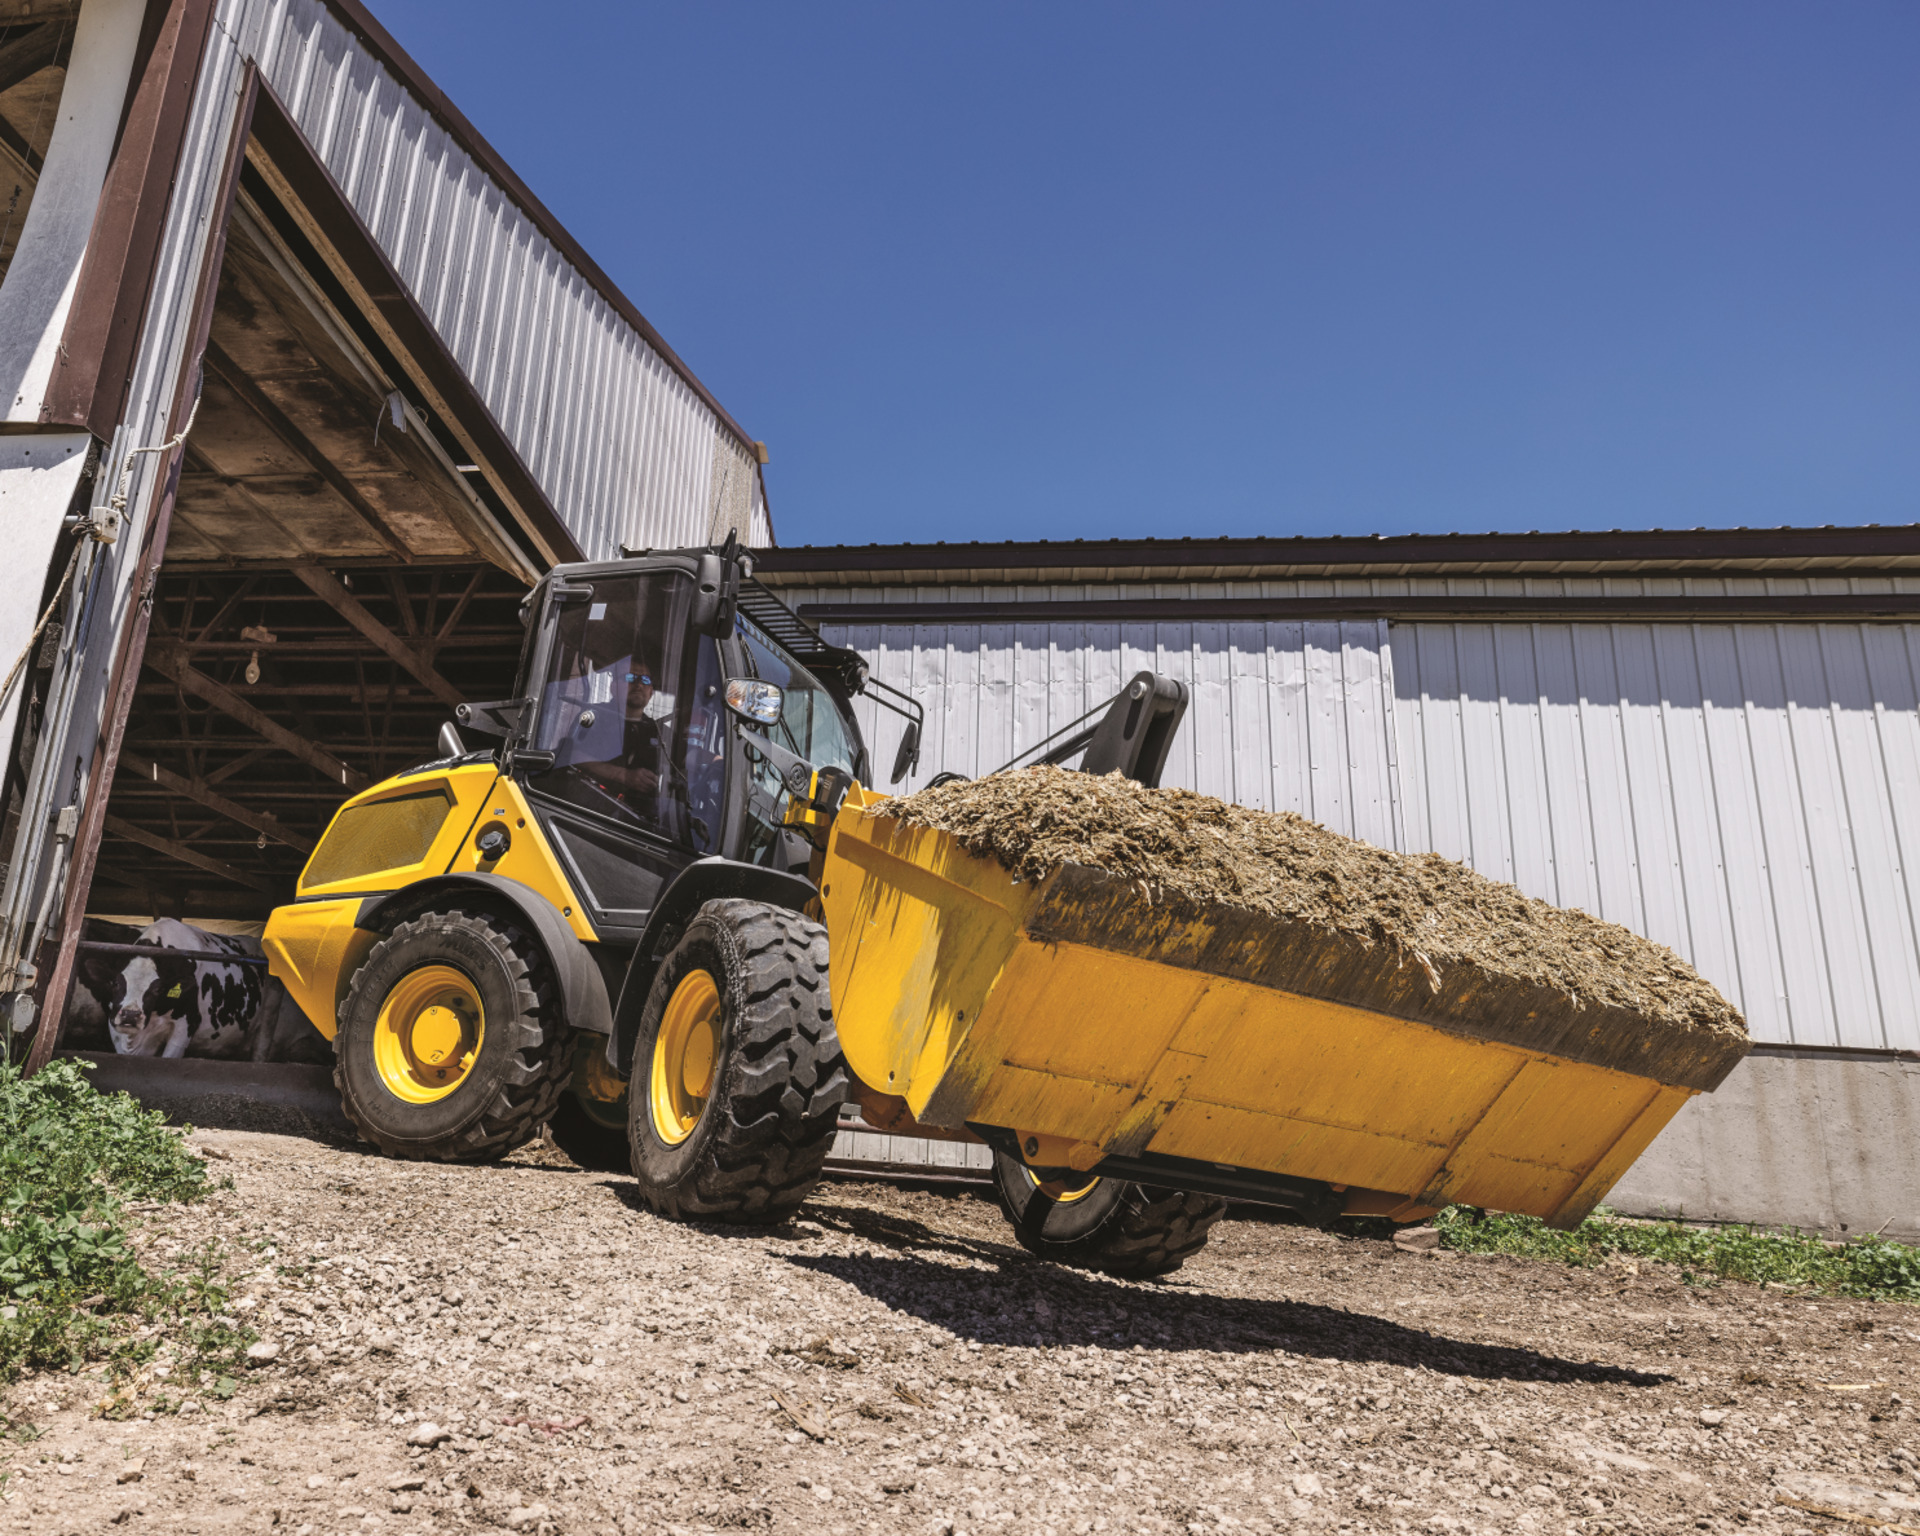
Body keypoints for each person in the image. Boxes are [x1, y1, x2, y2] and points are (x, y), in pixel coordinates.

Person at [586, 658, 667, 811]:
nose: (638, 685)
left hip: (641, 822)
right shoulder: (593, 716)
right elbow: (573, 758)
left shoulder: (659, 731)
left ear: (651, 692)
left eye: (645, 679)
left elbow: (689, 753)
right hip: (590, 810)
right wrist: (624, 776)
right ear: (613, 686)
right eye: (629, 677)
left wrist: (715, 761)